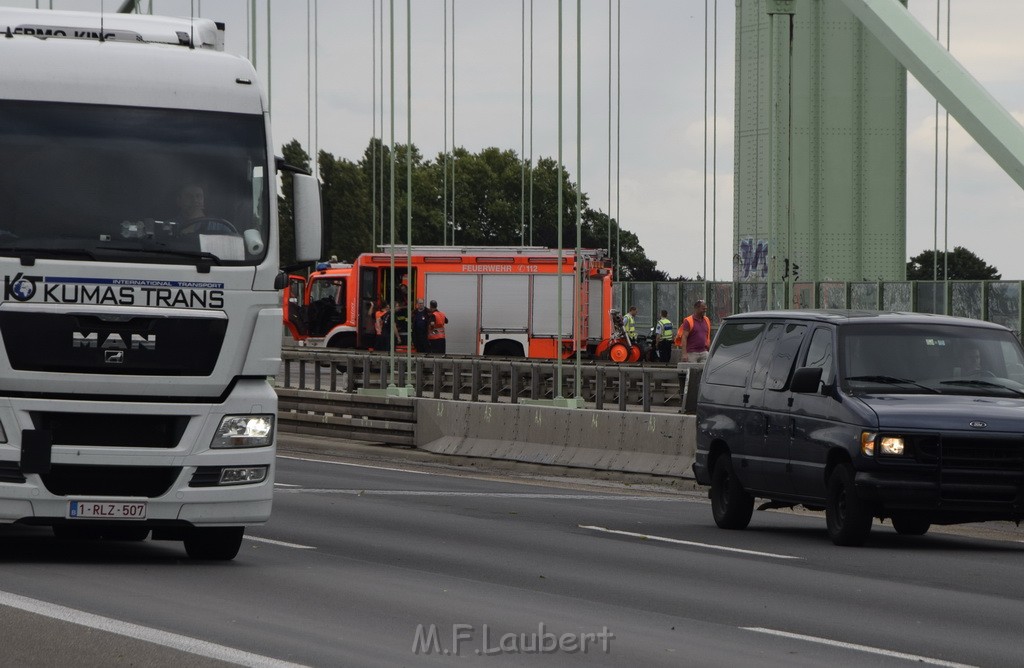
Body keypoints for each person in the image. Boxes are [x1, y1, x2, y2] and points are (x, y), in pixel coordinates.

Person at [676, 299, 712, 363]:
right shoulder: (688, 321)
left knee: (704, 371)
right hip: (691, 353)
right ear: (696, 308)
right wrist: (684, 354)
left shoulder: (706, 320)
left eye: (706, 309)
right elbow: (684, 337)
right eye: (703, 309)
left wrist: (709, 350)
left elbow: (708, 335)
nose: (705, 311)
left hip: (704, 352)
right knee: (692, 372)